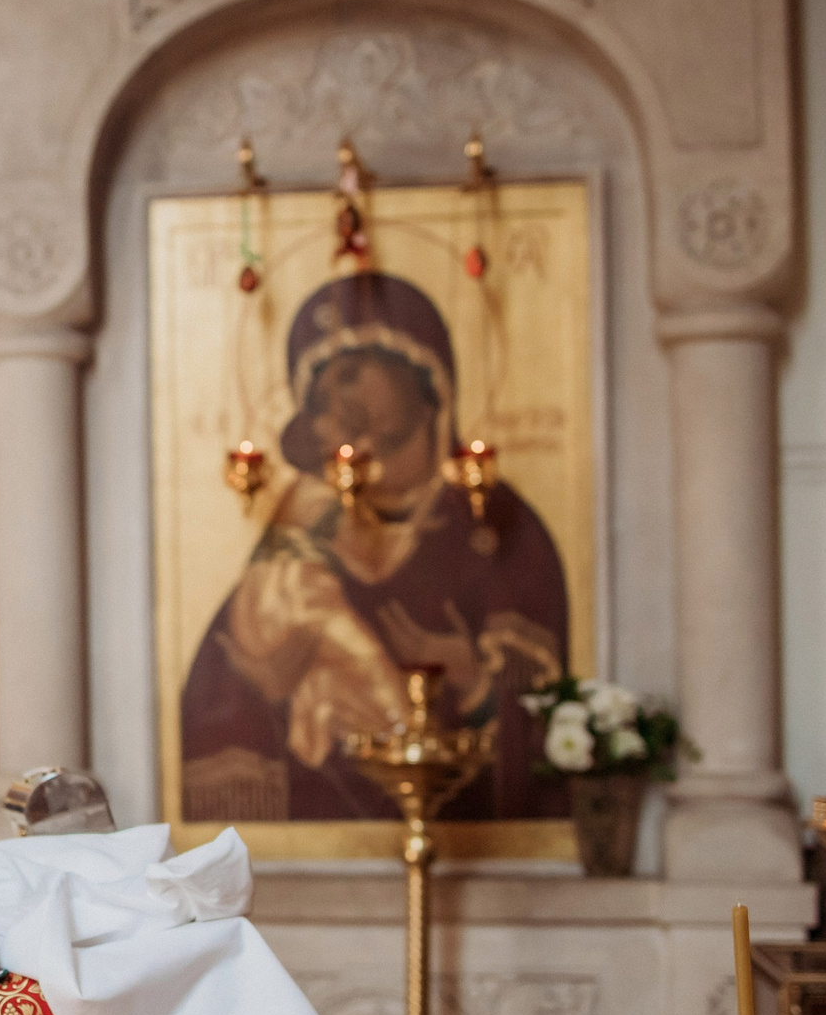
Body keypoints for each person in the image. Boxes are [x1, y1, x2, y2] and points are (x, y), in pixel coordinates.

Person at [178, 270, 569, 823]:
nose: (335, 400)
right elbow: (221, 687)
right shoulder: (305, 527)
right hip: (322, 827)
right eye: (319, 392)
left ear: (423, 374)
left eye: (353, 375)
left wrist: (472, 678)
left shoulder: (498, 525)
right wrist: (270, 685)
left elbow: (549, 714)